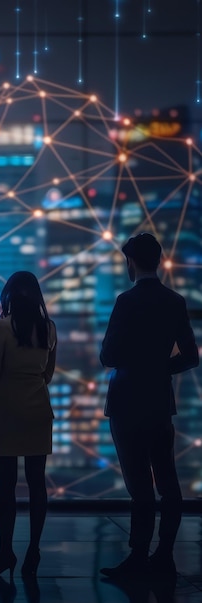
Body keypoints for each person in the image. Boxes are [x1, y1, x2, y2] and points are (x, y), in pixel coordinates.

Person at [99, 232, 199, 580]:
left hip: (127, 401)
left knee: (139, 485)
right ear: (158, 261)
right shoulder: (175, 301)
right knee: (167, 481)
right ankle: (165, 555)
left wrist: (136, 364)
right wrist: (159, 368)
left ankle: (138, 557)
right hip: (159, 401)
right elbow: (191, 357)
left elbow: (108, 355)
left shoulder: (126, 302)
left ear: (131, 262)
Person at [0, 271, 57, 578]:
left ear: (9, 296)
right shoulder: (49, 328)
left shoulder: (1, 327)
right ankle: (34, 549)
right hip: (39, 408)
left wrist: (6, 392)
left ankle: (5, 552)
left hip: (8, 408)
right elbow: (48, 375)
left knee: (6, 486)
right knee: (37, 484)